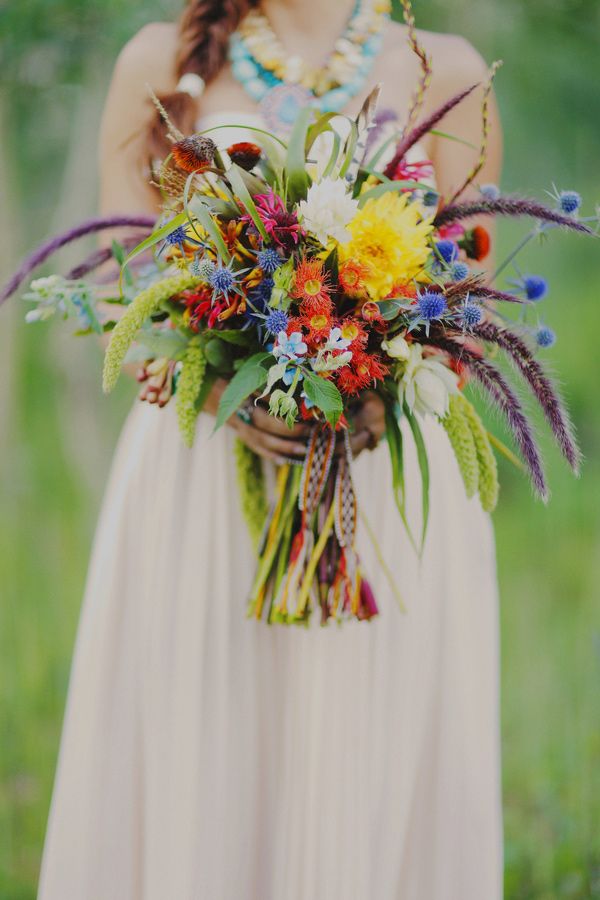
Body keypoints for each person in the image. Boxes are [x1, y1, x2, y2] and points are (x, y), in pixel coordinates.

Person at [38, 1, 503, 897]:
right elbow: (112, 280)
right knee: (203, 730)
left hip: (383, 481)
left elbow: (470, 304)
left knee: (372, 732)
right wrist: (222, 381)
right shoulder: (157, 61)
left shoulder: (448, 68)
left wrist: (369, 394)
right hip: (202, 465)